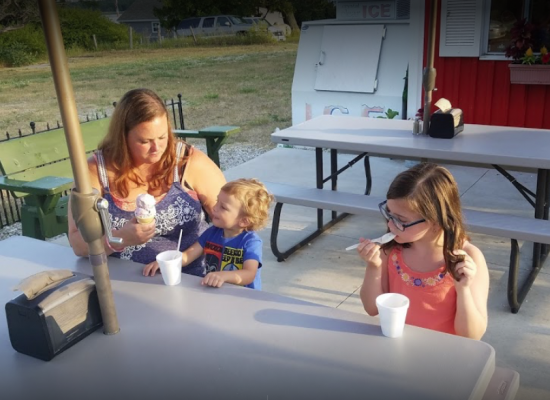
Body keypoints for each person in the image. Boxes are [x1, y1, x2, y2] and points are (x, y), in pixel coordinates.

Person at [68, 88, 226, 277]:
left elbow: (233, 219)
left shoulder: (188, 162)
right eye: (144, 141)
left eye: (162, 137)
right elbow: (78, 243)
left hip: (192, 279)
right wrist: (121, 238)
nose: (156, 148)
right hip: (123, 282)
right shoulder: (95, 171)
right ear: (123, 138)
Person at [358, 163, 489, 339]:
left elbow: (472, 335)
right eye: (389, 214)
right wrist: (373, 266)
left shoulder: (467, 259)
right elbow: (372, 308)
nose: (390, 225)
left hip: (445, 354)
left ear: (435, 221)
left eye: (400, 220)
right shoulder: (390, 252)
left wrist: (463, 289)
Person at [143, 178, 274, 290]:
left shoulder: (250, 242)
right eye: (217, 201)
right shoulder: (212, 232)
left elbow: (249, 274)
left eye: (223, 207)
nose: (215, 207)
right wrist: (167, 263)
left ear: (244, 221)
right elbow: (188, 255)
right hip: (216, 290)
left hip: (242, 297)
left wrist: (223, 276)